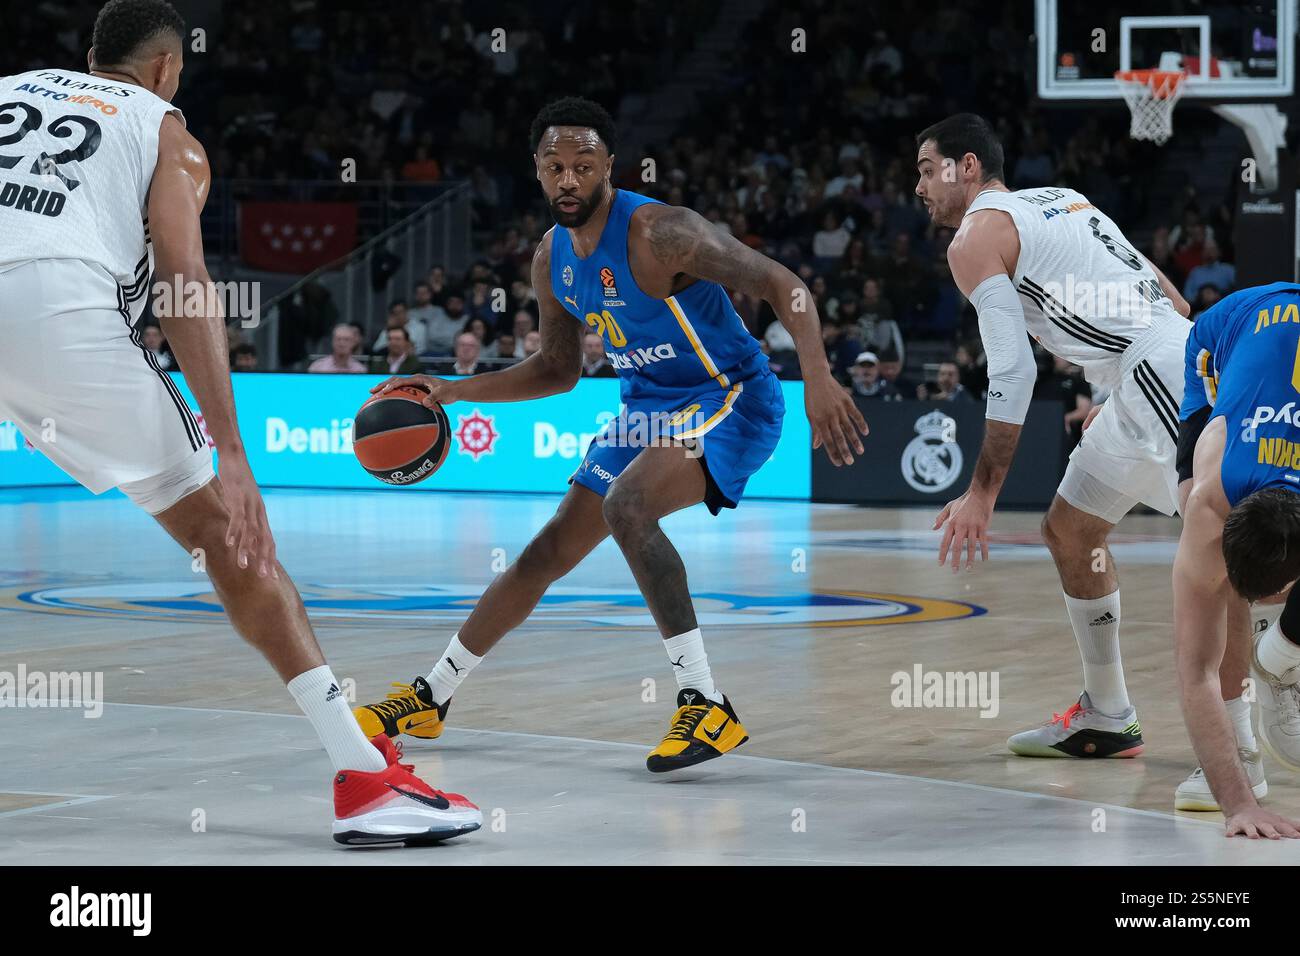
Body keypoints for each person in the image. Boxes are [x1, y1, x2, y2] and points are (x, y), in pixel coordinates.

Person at [0, 0, 477, 844]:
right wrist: (233, 453)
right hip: (58, 307)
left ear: (87, 57)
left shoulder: (10, 90)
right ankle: (367, 782)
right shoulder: (165, 130)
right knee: (227, 534)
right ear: (167, 71)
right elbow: (185, 281)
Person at [355, 96, 866, 773]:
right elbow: (557, 370)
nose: (568, 180)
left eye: (583, 166)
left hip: (731, 397)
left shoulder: (662, 234)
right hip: (649, 408)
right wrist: (451, 389)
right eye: (554, 166)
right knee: (545, 553)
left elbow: (782, 283)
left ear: (609, 169)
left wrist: (819, 376)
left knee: (626, 506)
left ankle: (704, 701)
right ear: (536, 172)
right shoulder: (550, 259)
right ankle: (432, 695)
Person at [914, 114, 1214, 790]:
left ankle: (1239, 749)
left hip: (1159, 372)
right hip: (1149, 369)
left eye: (927, 170)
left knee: (1224, 542)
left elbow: (1014, 373)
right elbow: (1162, 287)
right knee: (1071, 530)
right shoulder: (1062, 198)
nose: (919, 187)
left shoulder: (974, 238)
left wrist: (982, 493)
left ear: (967, 166)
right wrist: (1125, 381)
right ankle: (1108, 714)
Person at [1174, 282, 1300, 834]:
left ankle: (1278, 657)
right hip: (1222, 335)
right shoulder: (1209, 497)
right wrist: (1238, 805)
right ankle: (1240, 750)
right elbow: (1193, 671)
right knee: (1208, 583)